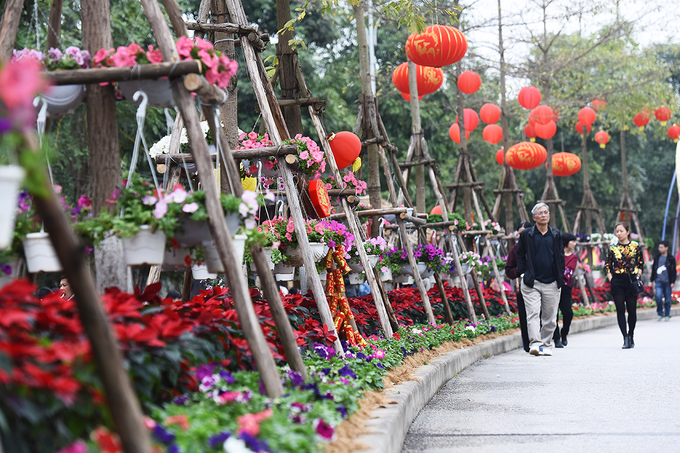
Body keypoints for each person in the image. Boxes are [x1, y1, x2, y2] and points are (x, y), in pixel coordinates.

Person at [516, 203, 565, 356]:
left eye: (546, 212)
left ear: (549, 215)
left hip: (552, 282)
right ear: (534, 217)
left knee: (550, 318)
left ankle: (546, 345)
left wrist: (560, 276)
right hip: (532, 282)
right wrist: (523, 274)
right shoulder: (526, 235)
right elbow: (519, 255)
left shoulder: (556, 234)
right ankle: (535, 344)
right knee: (533, 314)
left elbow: (561, 257)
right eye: (540, 213)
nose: (543, 215)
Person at [605, 222, 643, 349]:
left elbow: (640, 264)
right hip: (617, 282)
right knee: (620, 310)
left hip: (631, 281)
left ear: (627, 232)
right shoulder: (613, 248)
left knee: (632, 311)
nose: (619, 234)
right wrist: (611, 279)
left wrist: (637, 276)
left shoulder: (635, 246)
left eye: (621, 231)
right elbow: (608, 266)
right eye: (617, 231)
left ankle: (631, 334)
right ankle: (625, 337)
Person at [505, 221, 533, 352]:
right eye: (520, 234)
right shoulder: (515, 249)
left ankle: (541, 340)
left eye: (525, 233)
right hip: (522, 286)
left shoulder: (538, 245)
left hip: (541, 284)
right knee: (524, 315)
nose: (522, 236)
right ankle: (527, 344)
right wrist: (520, 272)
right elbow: (508, 269)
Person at [554, 233, 578, 348]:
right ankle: (556, 338)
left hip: (565, 288)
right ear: (566, 242)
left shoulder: (573, 257)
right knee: (553, 313)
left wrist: (557, 273)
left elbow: (569, 272)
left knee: (568, 313)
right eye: (572, 241)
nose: (575, 243)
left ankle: (564, 334)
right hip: (553, 286)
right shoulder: (556, 254)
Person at [650, 240, 676, 321]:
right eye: (659, 247)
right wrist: (652, 280)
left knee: (668, 299)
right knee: (658, 297)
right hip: (658, 282)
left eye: (661, 247)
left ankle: (667, 314)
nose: (659, 249)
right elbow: (654, 269)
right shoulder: (657, 258)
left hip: (668, 282)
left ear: (666, 248)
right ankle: (660, 313)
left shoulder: (671, 258)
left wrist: (672, 281)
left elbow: (673, 271)